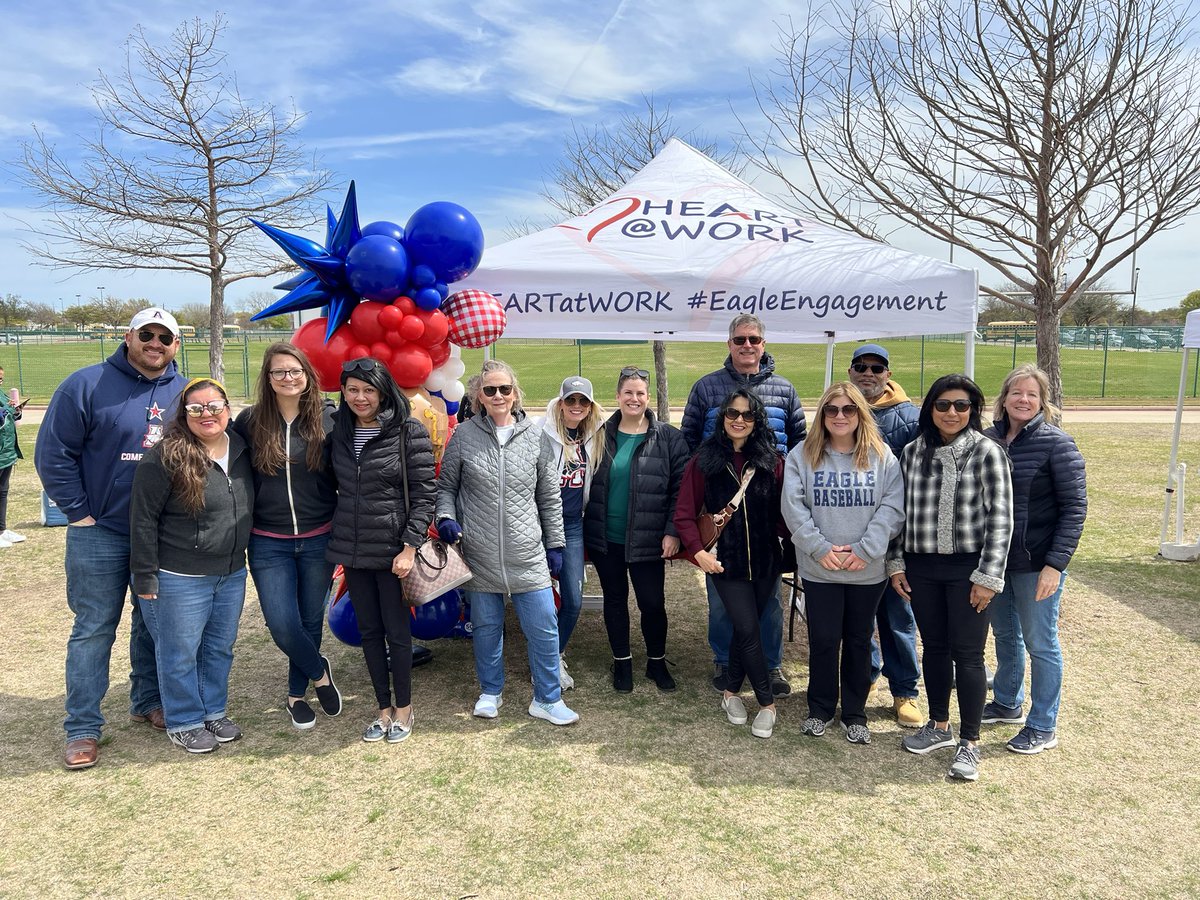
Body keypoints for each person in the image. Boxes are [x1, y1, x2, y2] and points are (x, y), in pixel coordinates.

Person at [35, 306, 187, 770]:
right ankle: (82, 726)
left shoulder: (184, 392)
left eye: (165, 337)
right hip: (99, 532)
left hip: (157, 534)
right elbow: (53, 453)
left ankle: (148, 700)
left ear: (176, 345)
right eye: (147, 334)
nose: (155, 343)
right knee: (94, 628)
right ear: (128, 337)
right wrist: (78, 513)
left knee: (152, 623)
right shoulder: (85, 385)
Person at [436, 359, 577, 726]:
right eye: (490, 390)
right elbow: (446, 488)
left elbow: (549, 497)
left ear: (515, 394)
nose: (498, 395)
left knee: (544, 626)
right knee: (485, 627)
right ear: (478, 396)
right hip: (479, 553)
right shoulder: (463, 436)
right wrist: (446, 517)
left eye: (505, 389)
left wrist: (556, 544)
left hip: (527, 552)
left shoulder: (536, 437)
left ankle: (547, 698)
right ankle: (490, 691)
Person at [887, 374, 1013, 782]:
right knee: (935, 648)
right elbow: (897, 514)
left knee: (969, 654)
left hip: (968, 569)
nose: (952, 413)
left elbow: (1001, 520)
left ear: (973, 409)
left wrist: (988, 576)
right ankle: (939, 726)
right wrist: (896, 563)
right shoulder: (911, 453)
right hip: (922, 568)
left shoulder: (987, 452)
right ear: (931, 409)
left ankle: (970, 743)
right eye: (943, 405)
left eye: (962, 405)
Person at [680, 314, 806, 697]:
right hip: (721, 500)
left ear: (763, 344)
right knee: (721, 600)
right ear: (729, 344)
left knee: (768, 602)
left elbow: (800, 443)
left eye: (753, 339)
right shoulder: (706, 387)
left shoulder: (784, 389)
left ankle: (770, 664)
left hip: (768, 497)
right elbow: (689, 440)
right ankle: (724, 660)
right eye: (739, 339)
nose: (747, 345)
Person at [130, 378, 254, 754]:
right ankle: (184, 720)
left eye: (214, 406)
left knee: (219, 647)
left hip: (230, 571)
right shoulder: (166, 455)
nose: (207, 414)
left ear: (227, 409)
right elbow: (142, 518)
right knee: (179, 651)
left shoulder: (243, 448)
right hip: (178, 574)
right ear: (184, 415)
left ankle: (212, 711)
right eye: (196, 408)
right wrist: (145, 574)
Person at [782, 383, 904, 745]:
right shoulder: (801, 455)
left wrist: (866, 549)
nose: (839, 416)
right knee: (823, 639)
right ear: (821, 415)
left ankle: (854, 712)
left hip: (866, 571)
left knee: (858, 639)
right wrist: (818, 547)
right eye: (831, 410)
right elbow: (793, 506)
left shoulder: (882, 456)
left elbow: (893, 508)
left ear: (860, 414)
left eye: (848, 409)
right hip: (820, 569)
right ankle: (819, 708)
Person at [326, 358, 436, 743]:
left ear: (383, 390)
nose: (360, 397)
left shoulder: (408, 431)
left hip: (393, 552)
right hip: (354, 551)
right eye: (352, 389)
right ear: (343, 391)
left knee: (397, 632)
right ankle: (383, 710)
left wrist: (409, 547)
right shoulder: (337, 431)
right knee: (369, 632)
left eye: (368, 390)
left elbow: (425, 495)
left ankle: (404, 710)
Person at [233, 343, 342, 731]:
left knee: (310, 619)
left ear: (307, 375)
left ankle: (296, 695)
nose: (288, 378)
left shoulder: (329, 418)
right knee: (281, 622)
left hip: (319, 537)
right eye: (279, 372)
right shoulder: (248, 422)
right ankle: (320, 673)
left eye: (294, 371)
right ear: (268, 379)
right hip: (267, 540)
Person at [982, 364, 1087, 754]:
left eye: (1031, 394)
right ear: (1004, 398)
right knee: (1006, 635)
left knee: (1041, 643)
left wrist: (1054, 565)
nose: (1023, 400)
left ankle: (1043, 723)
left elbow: (1075, 508)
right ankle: (1008, 701)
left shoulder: (1057, 444)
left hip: (1037, 563)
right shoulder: (987, 439)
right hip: (996, 562)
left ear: (1043, 402)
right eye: (1016, 393)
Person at [675, 388, 786, 738]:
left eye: (747, 415)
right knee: (749, 629)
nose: (739, 420)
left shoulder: (772, 461)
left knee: (745, 629)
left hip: (767, 562)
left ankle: (730, 693)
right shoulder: (704, 461)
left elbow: (786, 512)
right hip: (725, 564)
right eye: (733, 414)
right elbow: (683, 514)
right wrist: (699, 553)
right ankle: (767, 704)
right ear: (723, 418)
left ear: (757, 421)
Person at [585, 365, 690, 693]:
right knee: (615, 600)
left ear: (649, 398)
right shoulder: (598, 435)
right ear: (617, 396)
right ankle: (622, 663)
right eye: (628, 393)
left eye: (640, 393)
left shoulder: (669, 438)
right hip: (607, 537)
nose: (634, 398)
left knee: (652, 603)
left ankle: (656, 663)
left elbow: (681, 490)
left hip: (649, 539)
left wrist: (673, 530)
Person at [847, 343, 923, 727]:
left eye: (877, 368)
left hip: (894, 534)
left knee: (897, 616)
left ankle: (905, 691)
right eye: (861, 366)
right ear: (850, 372)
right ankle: (869, 675)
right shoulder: (839, 410)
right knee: (861, 618)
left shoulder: (910, 417)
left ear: (888, 374)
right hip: (850, 532)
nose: (868, 373)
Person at [537, 375, 606, 691]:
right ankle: (543, 659)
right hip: (538, 524)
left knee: (574, 600)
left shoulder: (595, 434)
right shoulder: (540, 430)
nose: (576, 406)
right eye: (571, 400)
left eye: (583, 401)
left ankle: (554, 653)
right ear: (561, 401)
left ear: (590, 406)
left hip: (573, 524)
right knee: (537, 600)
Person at [0, 366, 26, 547]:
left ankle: (2, 529)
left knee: (2, 491)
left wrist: (16, 411)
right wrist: (5, 412)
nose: (1, 380)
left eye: (2, 377)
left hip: (6, 451)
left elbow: (8, 417)